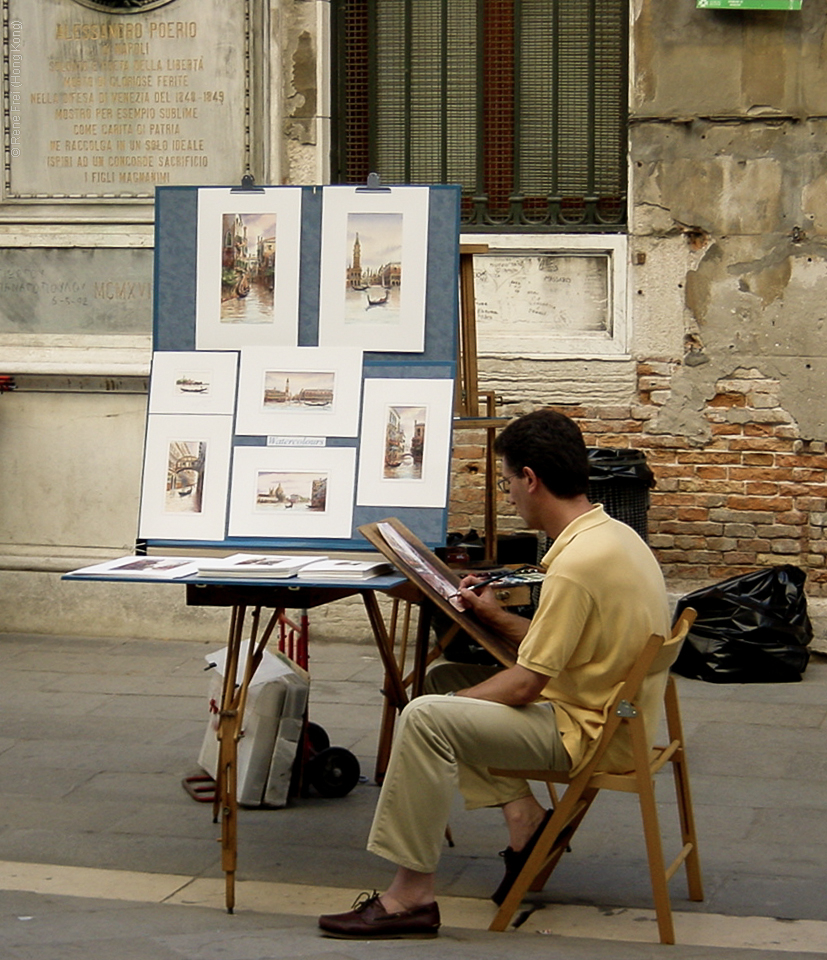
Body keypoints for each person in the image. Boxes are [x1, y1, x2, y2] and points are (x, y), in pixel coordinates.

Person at [318, 409, 671, 939]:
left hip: (589, 733)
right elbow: (562, 648)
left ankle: (409, 897)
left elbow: (528, 682)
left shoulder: (576, 565)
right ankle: (525, 818)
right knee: (442, 683)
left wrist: (445, 713)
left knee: (426, 717)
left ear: (530, 478)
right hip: (615, 714)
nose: (506, 493)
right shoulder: (611, 537)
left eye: (507, 481)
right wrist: (492, 616)